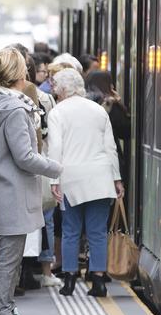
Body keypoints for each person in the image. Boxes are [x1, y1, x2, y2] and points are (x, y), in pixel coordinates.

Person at [0, 47, 63, 315]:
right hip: (12, 190)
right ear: (20, 73)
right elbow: (25, 156)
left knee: (8, 255)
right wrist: (56, 168)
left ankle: (5, 311)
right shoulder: (16, 110)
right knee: (8, 257)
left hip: (4, 187)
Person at [47, 68, 124, 298]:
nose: (54, 90)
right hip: (100, 176)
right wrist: (116, 179)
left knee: (71, 230)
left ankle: (69, 280)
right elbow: (110, 147)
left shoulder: (57, 112)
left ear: (62, 89)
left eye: (55, 86)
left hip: (71, 177)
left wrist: (54, 180)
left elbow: (55, 148)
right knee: (97, 232)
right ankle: (99, 281)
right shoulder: (98, 110)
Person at [85, 71, 131, 182]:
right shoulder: (110, 104)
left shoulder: (83, 102)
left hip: (85, 158)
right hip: (106, 160)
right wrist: (120, 105)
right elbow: (125, 131)